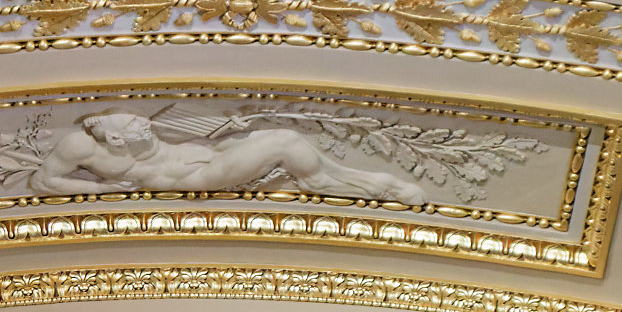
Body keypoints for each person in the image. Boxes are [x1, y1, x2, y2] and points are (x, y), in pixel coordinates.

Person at [29, 112, 430, 205]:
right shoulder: (80, 146)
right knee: (284, 141)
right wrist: (106, 190)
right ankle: (337, 183)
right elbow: (43, 182)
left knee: (276, 136)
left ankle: (336, 180)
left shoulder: (141, 132)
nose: (144, 121)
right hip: (195, 177)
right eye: (135, 123)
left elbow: (176, 136)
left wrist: (225, 128)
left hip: (202, 152)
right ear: (116, 139)